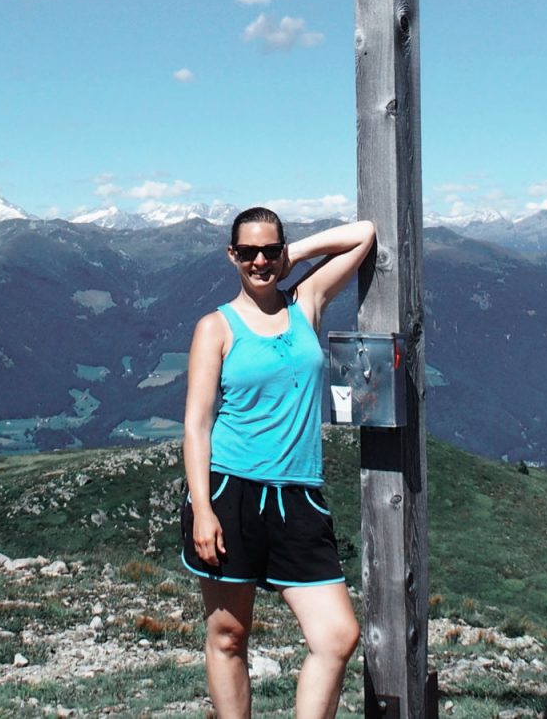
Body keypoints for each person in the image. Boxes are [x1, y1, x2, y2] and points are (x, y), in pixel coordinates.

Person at [181, 205, 377, 719]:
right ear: (232, 255)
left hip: (298, 495)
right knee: (228, 635)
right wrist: (202, 509)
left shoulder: (305, 302)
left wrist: (297, 255)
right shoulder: (215, 328)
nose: (260, 261)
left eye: (270, 250)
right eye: (249, 252)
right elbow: (197, 425)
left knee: (337, 636)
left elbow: (363, 235)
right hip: (230, 492)